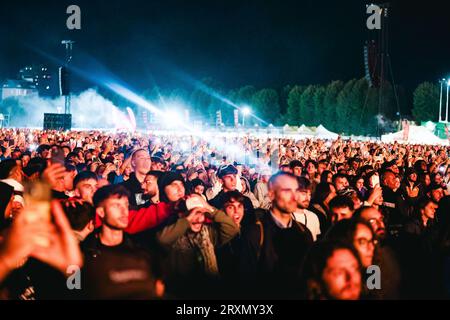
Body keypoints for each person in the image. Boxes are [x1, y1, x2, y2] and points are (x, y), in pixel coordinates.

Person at [240, 172, 313, 299]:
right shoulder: (255, 233)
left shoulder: (304, 232)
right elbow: (245, 282)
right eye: (287, 191)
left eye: (296, 191)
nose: (294, 197)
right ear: (272, 194)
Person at [157, 194, 239, 299]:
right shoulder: (175, 232)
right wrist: (187, 219)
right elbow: (162, 240)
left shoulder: (208, 232)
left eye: (201, 213)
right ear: (183, 215)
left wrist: (209, 209)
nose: (199, 219)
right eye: (193, 213)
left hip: (207, 292)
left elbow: (232, 228)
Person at [293, 177, 321, 241]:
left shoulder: (313, 216)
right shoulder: (285, 216)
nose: (307, 198)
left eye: (309, 194)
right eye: (304, 193)